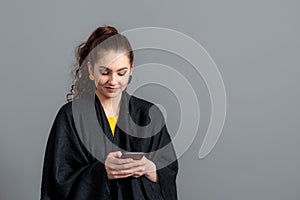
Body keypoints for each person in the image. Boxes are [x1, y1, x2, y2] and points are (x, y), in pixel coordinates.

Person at [41, 25, 178, 200]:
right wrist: (102, 171)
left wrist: (150, 169)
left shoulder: (149, 114)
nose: (113, 81)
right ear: (90, 69)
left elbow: (168, 171)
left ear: (131, 69)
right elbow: (57, 181)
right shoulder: (71, 116)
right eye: (105, 72)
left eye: (121, 73)